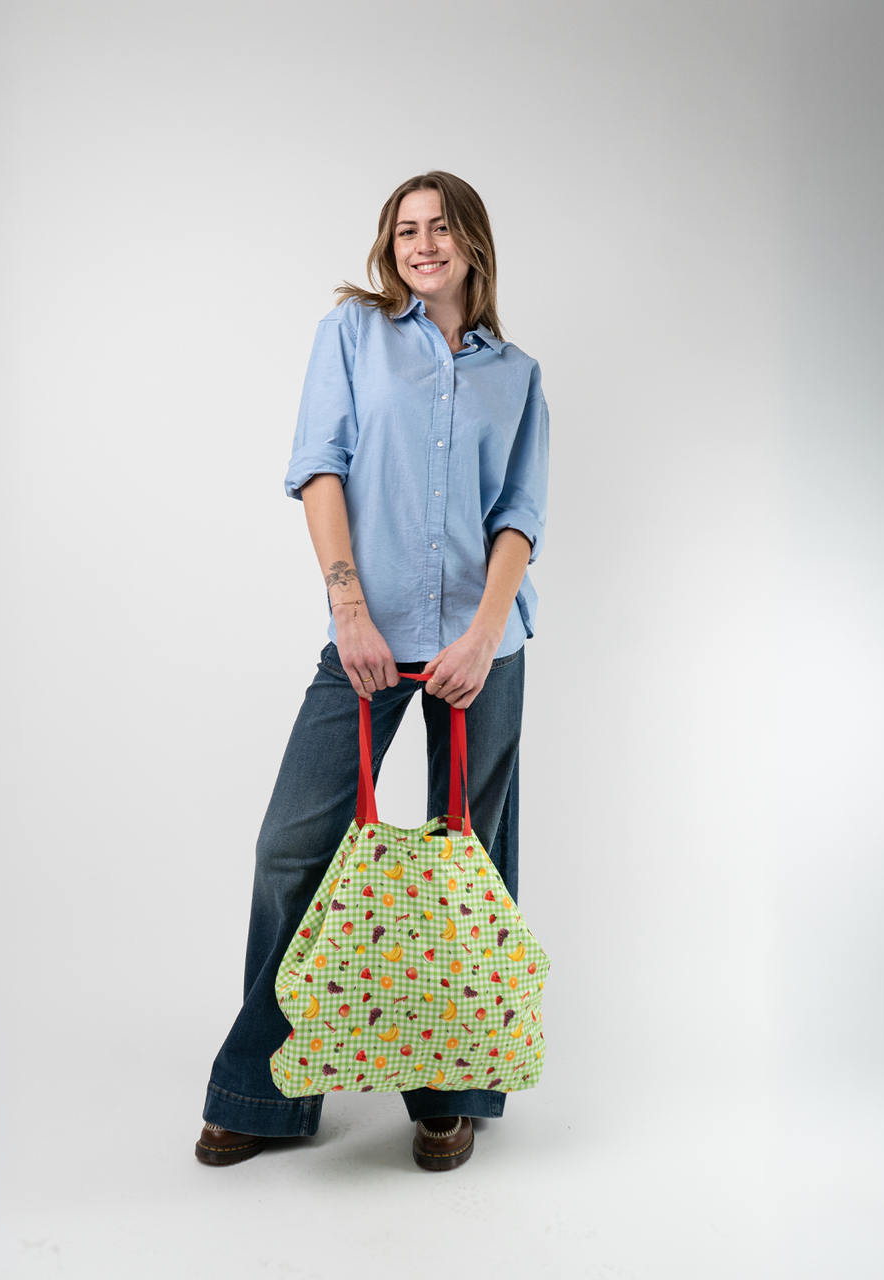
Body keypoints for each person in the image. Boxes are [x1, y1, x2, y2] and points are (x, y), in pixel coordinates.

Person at [196, 171, 548, 1171]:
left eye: (440, 227)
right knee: (289, 847)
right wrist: (348, 607)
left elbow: (518, 516)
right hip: (368, 636)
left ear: (472, 244)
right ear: (387, 245)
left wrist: (483, 634)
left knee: (464, 868)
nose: (422, 242)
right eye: (405, 228)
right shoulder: (350, 336)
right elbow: (319, 467)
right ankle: (261, 1091)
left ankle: (448, 1092)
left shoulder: (514, 374)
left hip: (482, 647)